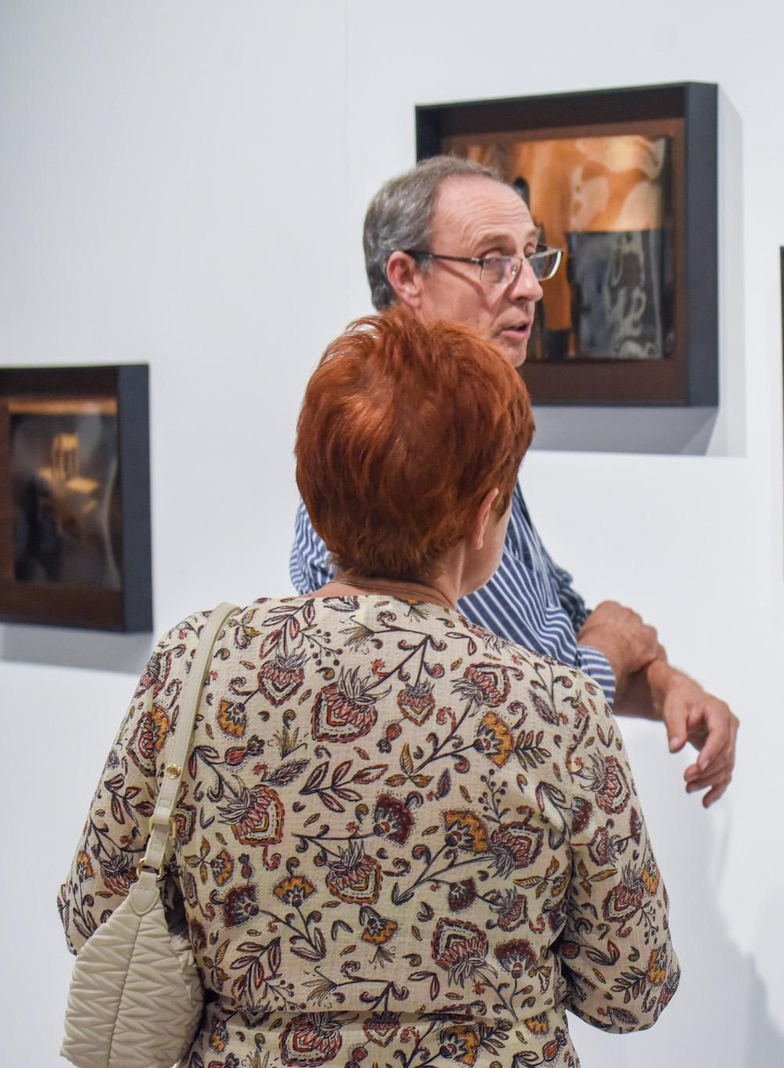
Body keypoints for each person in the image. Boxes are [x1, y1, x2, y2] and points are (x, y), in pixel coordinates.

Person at [60, 312, 679, 1067]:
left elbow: (93, 912)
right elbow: (632, 986)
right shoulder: (555, 708)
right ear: (484, 515)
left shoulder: (200, 662)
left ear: (313, 490)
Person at [290, 155, 737, 806]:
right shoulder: (380, 467)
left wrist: (663, 683)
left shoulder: (476, 433)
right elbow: (497, 720)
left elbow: (553, 623)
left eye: (530, 257)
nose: (529, 287)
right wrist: (608, 651)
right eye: (494, 260)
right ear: (406, 276)